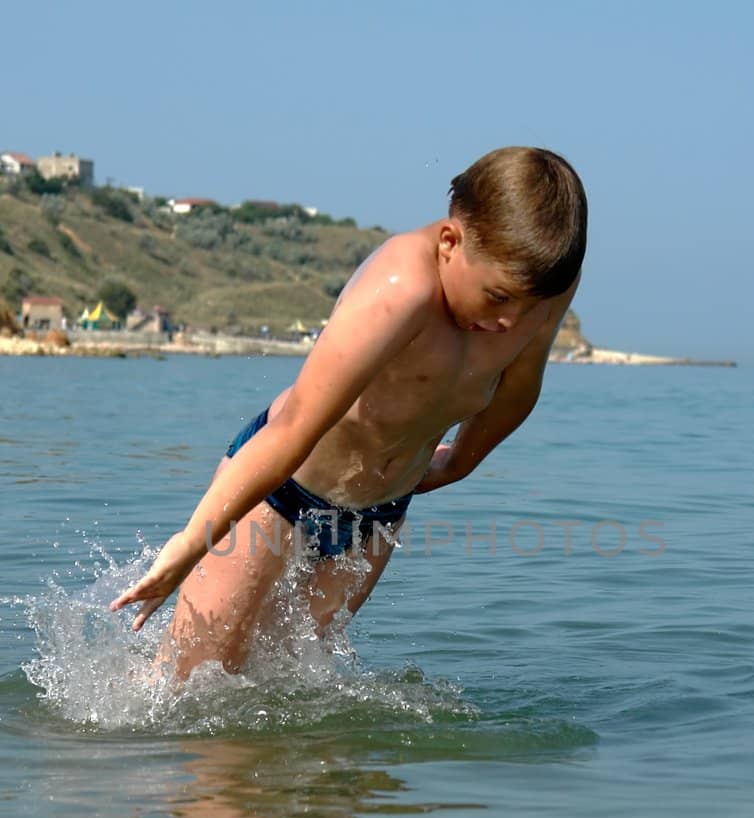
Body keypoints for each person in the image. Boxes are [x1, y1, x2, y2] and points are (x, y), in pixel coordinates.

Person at [109, 146, 587, 678]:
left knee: (282, 695)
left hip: (376, 519)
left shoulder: (538, 288)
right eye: (497, 297)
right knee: (188, 684)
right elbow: (294, 429)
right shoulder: (401, 292)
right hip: (280, 492)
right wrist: (190, 544)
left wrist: (457, 466)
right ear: (450, 243)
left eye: (527, 306)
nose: (510, 322)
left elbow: (519, 390)